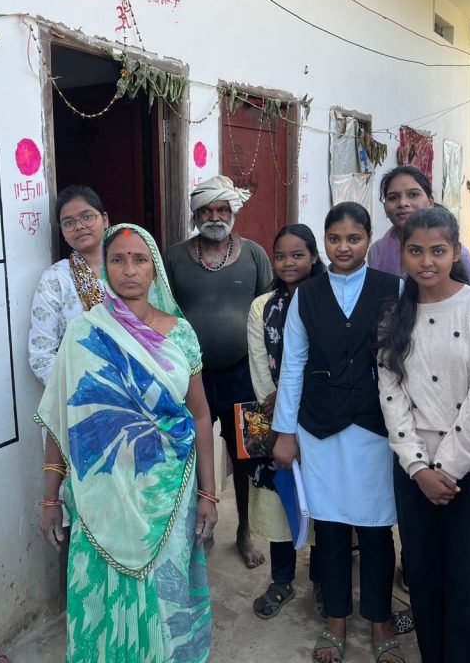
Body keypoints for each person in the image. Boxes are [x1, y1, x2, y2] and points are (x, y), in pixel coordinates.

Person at [36, 223, 217, 662]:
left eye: (140, 260)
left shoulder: (180, 333)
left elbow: (199, 414)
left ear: (155, 270)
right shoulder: (83, 333)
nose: (129, 270)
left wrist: (209, 494)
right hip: (102, 496)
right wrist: (49, 499)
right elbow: (63, 421)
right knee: (104, 600)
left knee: (165, 598)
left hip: (168, 495)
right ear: (105, 268)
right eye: (117, 259)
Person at [378, 206, 470, 663]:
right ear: (403, 254)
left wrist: (448, 469)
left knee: (467, 584)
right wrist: (419, 467)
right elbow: (391, 395)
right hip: (413, 466)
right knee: (423, 578)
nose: (427, 262)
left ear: (455, 251)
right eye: (415, 251)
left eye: (438, 251)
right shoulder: (394, 317)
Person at [272, 202, 403, 663]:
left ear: (368, 239)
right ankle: (335, 621)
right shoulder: (306, 295)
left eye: (354, 238)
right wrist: (284, 432)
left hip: (375, 427)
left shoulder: (393, 288)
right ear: (324, 242)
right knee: (329, 526)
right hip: (320, 427)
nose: (343, 247)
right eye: (334, 239)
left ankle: (380, 621)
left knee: (376, 527)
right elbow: (292, 365)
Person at [165, 175, 273, 569]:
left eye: (222, 209)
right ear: (195, 215)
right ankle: (201, 529)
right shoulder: (173, 257)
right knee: (188, 452)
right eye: (206, 210)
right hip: (188, 375)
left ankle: (244, 531)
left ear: (232, 212)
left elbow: (268, 313)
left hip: (244, 375)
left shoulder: (255, 254)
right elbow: (162, 312)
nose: (214, 217)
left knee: (247, 456)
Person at [246, 224, 325, 620]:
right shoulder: (263, 306)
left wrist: (301, 399)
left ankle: (324, 580)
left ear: (313, 256)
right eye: (280, 256)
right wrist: (279, 412)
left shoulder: (329, 299)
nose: (289, 262)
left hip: (323, 417)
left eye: (298, 254)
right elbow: (260, 368)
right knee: (282, 498)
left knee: (324, 502)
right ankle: (282, 580)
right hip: (275, 420)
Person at [28, 184, 108, 385]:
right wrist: (89, 392)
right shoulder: (56, 278)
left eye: (87, 217)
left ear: (105, 219)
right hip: (83, 393)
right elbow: (41, 357)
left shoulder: (130, 268)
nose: (79, 226)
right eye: (69, 222)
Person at [368, 165, 470, 286]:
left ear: (430, 202)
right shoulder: (376, 252)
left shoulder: (458, 254)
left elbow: (469, 294)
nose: (402, 203)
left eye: (413, 195)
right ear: (385, 208)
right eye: (393, 197)